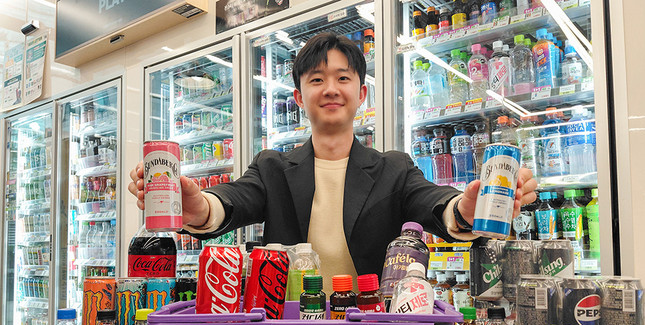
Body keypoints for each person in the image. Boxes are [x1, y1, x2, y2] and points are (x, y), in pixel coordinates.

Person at [129, 32, 537, 293]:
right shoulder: (272, 168)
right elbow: (233, 200)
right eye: (316, 79)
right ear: (298, 97)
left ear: (361, 94)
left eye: (343, 78)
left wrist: (466, 208)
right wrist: (196, 206)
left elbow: (434, 203)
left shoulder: (394, 168)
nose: (330, 89)